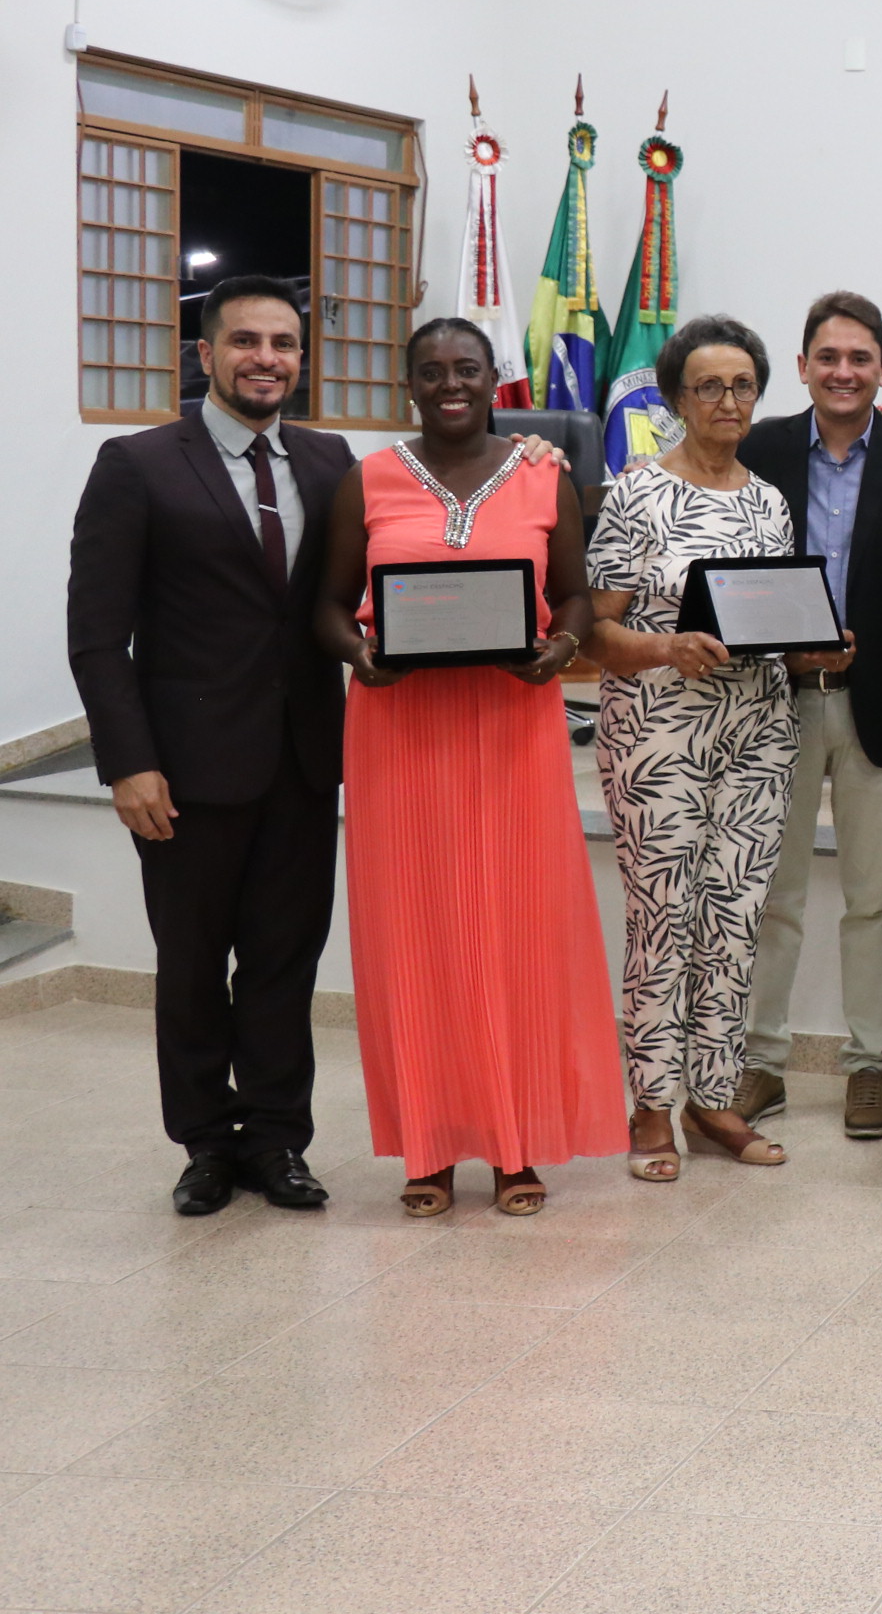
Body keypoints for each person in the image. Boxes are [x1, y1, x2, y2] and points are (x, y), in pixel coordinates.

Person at [312, 316, 624, 1217]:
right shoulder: (364, 480)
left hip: (509, 727)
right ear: (407, 383)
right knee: (415, 937)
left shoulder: (542, 472)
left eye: (468, 368)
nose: (451, 383)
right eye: (431, 370)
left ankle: (516, 1143)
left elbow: (569, 592)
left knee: (516, 932)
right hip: (399, 732)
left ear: (497, 378)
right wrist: (358, 657)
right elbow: (332, 606)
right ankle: (431, 1146)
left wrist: (561, 643)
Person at [67, 277, 352, 1215]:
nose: (265, 357)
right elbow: (98, 633)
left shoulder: (329, 460)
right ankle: (203, 1144)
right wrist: (127, 761)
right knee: (192, 966)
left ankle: (277, 1141)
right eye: (245, 341)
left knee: (284, 960)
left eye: (283, 342)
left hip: (304, 761)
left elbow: (339, 604)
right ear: (206, 354)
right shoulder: (138, 464)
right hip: (183, 769)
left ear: (301, 358)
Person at [585, 315, 853, 1180]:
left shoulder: (767, 499)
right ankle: (652, 1105)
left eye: (742, 385)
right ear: (674, 398)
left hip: (757, 735)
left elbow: (768, 618)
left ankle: (713, 1099)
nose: (728, 401)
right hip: (660, 734)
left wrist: (814, 643)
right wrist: (668, 645)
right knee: (664, 921)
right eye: (709, 385)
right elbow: (596, 633)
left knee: (735, 921)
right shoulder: (635, 493)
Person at [736, 292, 882, 1143]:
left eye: (860, 357)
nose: (844, 371)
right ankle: (759, 1063)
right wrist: (780, 651)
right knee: (770, 897)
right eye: (828, 356)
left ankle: (869, 1067)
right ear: (805, 364)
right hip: (773, 703)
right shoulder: (759, 448)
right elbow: (734, 573)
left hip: (879, 712)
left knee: (871, 899)